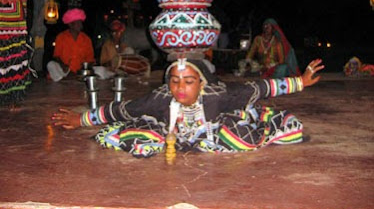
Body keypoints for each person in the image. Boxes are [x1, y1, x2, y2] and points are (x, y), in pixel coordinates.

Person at [52, 57, 324, 158]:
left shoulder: (219, 96)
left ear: (202, 83)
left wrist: (300, 81)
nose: (180, 88)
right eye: (175, 81)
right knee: (141, 136)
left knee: (240, 137)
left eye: (189, 81)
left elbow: (259, 88)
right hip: (169, 130)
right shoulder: (160, 99)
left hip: (215, 127)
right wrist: (82, 120)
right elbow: (124, 110)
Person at [47, 8, 95, 81]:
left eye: (81, 23)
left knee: (100, 70)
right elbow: (56, 56)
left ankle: (64, 79)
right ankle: (63, 79)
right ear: (70, 24)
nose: (80, 25)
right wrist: (63, 65)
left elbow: (90, 59)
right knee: (51, 64)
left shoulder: (86, 39)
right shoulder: (61, 37)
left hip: (81, 72)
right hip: (65, 71)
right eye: (78, 23)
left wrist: (85, 67)